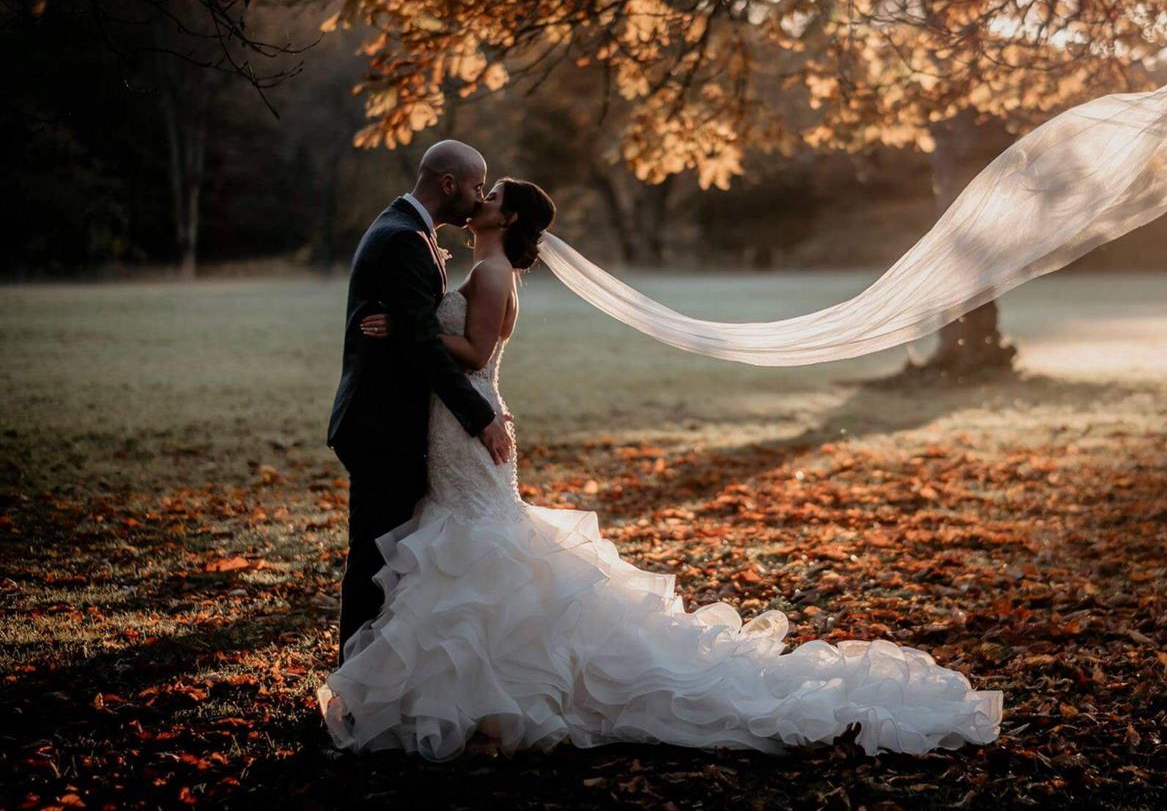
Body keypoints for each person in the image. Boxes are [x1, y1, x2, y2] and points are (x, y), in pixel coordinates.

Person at [315, 172, 1004, 761]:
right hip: (457, 425)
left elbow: (472, 351)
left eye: (491, 194)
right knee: (466, 545)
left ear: (509, 216)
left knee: (479, 546)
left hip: (471, 426)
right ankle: (461, 691)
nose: (480, 198)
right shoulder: (481, 267)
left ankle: (492, 692)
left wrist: (411, 327)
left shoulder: (493, 272)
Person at [326, 139, 514, 665]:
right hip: (382, 424)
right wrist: (481, 419)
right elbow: (427, 349)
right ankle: (357, 683)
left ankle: (379, 674)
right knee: (375, 560)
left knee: (393, 557)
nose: (479, 198)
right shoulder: (404, 237)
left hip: (395, 422)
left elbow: (421, 334)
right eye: (476, 186)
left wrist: (411, 329)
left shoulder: (405, 229)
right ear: (448, 184)